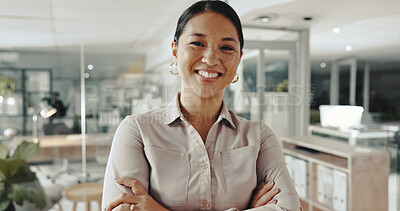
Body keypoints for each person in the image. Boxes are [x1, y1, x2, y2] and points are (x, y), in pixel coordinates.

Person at [102, 1, 301, 210]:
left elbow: (289, 208)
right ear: (175, 50)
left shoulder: (259, 137)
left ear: (239, 58)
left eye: (226, 47)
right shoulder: (137, 131)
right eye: (197, 43)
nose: (211, 58)